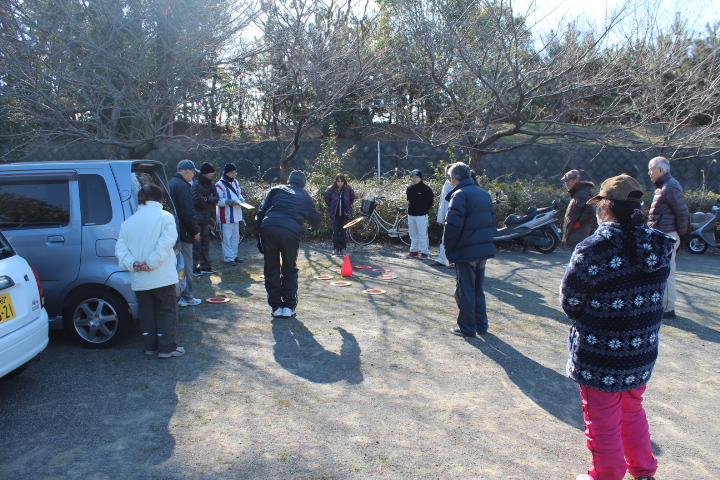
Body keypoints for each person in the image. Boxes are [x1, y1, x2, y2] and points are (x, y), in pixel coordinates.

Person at [560, 174, 676, 480]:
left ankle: (607, 474)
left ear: (606, 207)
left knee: (601, 419)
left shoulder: (593, 248)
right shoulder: (658, 246)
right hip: (641, 348)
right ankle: (643, 471)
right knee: (632, 410)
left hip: (601, 352)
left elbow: (570, 301)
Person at [116, 184, 185, 358]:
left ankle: (150, 346)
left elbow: (120, 250)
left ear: (140, 200)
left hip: (140, 277)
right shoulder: (164, 217)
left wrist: (134, 264)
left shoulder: (127, 223)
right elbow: (166, 243)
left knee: (146, 311)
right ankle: (167, 347)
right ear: (160, 200)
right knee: (166, 310)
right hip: (162, 275)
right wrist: (151, 263)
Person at [255, 171, 322, 318]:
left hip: (269, 227)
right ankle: (289, 306)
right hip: (290, 230)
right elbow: (316, 218)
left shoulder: (276, 189)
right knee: (289, 267)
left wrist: (257, 236)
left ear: (289, 181)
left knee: (271, 267)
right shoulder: (305, 196)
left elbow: (261, 212)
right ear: (304, 185)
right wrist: (313, 228)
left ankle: (276, 307)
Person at [443, 162, 496, 337]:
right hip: (482, 250)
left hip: (466, 251)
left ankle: (466, 327)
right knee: (478, 290)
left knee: (465, 290)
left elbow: (452, 227)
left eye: (450, 178)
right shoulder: (484, 193)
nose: (450, 181)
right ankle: (481, 325)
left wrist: (448, 250)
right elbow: (491, 221)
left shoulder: (460, 195)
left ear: (455, 178)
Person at [647, 156, 689, 319]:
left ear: (660, 170)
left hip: (667, 235)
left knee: (667, 272)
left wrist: (679, 235)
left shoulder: (670, 186)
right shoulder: (664, 186)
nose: (649, 173)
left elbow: (682, 212)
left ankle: (668, 308)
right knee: (661, 271)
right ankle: (663, 305)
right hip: (662, 235)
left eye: (651, 169)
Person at [168, 159, 201, 307]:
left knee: (175, 264)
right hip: (184, 232)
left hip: (173, 231)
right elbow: (188, 211)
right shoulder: (182, 186)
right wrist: (195, 231)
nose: (194, 177)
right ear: (187, 171)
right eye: (193, 173)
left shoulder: (170, 183)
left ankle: (179, 295)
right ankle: (187, 295)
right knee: (187, 264)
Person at [191, 162, 219, 276]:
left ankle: (206, 266)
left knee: (206, 244)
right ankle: (194, 267)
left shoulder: (212, 185)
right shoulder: (197, 185)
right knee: (196, 245)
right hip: (197, 219)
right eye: (210, 173)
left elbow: (217, 198)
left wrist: (207, 199)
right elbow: (197, 201)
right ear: (204, 174)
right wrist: (209, 200)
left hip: (206, 219)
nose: (212, 174)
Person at [215, 163, 245, 266]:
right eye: (232, 173)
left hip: (236, 214)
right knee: (227, 238)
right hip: (226, 215)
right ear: (227, 173)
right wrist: (228, 202)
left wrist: (241, 200)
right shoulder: (219, 184)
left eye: (235, 172)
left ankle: (234, 255)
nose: (234, 174)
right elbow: (217, 200)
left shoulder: (236, 182)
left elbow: (239, 194)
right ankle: (228, 258)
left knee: (236, 236)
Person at [561, 169, 596, 247]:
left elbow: (590, 208)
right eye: (565, 182)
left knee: (577, 256)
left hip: (578, 234)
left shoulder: (582, 193)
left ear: (576, 180)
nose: (566, 184)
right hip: (576, 233)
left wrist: (579, 223)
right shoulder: (579, 192)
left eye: (568, 181)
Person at [323, 173, 355, 256]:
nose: (340, 183)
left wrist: (348, 207)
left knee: (343, 231)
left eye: (342, 181)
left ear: (344, 182)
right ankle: (336, 248)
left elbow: (352, 198)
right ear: (335, 181)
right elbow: (327, 199)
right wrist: (332, 207)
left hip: (345, 213)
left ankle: (343, 248)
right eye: (338, 181)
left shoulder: (348, 189)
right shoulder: (330, 189)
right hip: (335, 213)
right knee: (336, 231)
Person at [406, 169, 434, 259]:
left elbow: (430, 202)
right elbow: (408, 199)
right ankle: (414, 250)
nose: (414, 179)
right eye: (413, 177)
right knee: (413, 234)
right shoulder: (410, 188)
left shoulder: (426, 188)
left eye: (416, 177)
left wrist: (424, 209)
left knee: (422, 234)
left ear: (421, 178)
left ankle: (424, 252)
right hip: (411, 214)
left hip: (422, 215)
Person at [430, 165, 453, 267]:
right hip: (447, 215)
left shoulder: (460, 184)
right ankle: (441, 260)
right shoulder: (447, 184)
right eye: (446, 174)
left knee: (455, 239)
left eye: (449, 174)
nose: (447, 176)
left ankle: (454, 261)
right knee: (444, 239)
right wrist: (441, 217)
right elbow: (442, 202)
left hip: (456, 216)